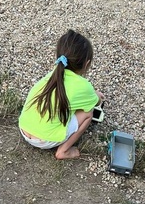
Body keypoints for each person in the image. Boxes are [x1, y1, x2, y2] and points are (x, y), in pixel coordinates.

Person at [19, 29, 103, 160]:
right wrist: (96, 95)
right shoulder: (83, 86)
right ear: (87, 63)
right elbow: (97, 102)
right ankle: (64, 151)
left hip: (24, 127)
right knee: (88, 113)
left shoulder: (54, 75)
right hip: (44, 140)